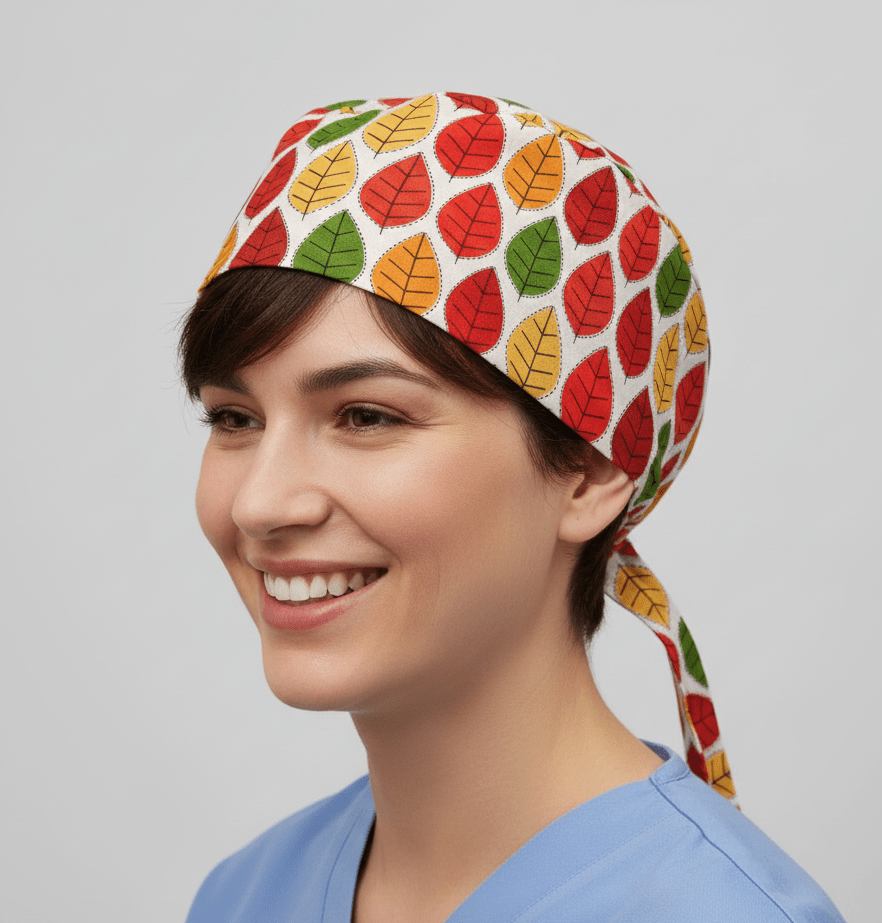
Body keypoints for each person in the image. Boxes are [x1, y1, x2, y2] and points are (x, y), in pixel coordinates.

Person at [180, 92, 845, 922]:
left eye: (366, 416)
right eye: (233, 419)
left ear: (590, 469)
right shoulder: (243, 893)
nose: (259, 501)